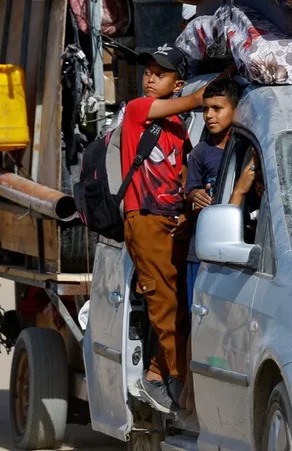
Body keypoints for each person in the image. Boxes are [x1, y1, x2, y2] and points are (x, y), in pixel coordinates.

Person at [121, 43, 234, 412]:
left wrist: (194, 199)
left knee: (182, 307)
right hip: (146, 221)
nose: (150, 79)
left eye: (160, 73)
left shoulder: (179, 132)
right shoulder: (139, 110)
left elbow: (186, 178)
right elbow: (195, 101)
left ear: (177, 81)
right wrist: (222, 80)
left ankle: (159, 373)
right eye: (148, 72)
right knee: (165, 305)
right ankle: (178, 384)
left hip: (176, 223)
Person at [180, 79, 243, 411]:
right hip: (201, 250)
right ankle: (191, 394)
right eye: (205, 109)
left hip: (236, 249)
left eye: (217, 108)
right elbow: (189, 190)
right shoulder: (201, 153)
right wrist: (195, 195)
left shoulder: (246, 148)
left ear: (236, 109)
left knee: (233, 323)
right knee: (201, 322)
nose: (209, 115)